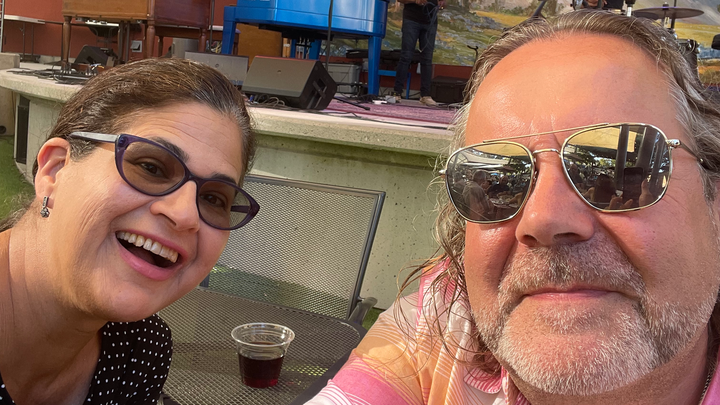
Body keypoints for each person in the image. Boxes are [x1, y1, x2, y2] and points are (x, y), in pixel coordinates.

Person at [307, 10, 720, 405]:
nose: (544, 219)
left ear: (713, 198)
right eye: (498, 182)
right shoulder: (439, 323)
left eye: (620, 172)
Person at [0, 58, 258, 404]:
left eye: (213, 198)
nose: (185, 215)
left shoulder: (140, 351)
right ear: (55, 171)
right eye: (151, 167)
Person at [393, 0, 446, 107]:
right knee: (406, 56)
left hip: (430, 21)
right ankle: (397, 93)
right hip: (411, 19)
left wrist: (442, 3)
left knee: (427, 59)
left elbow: (444, 3)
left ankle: (425, 95)